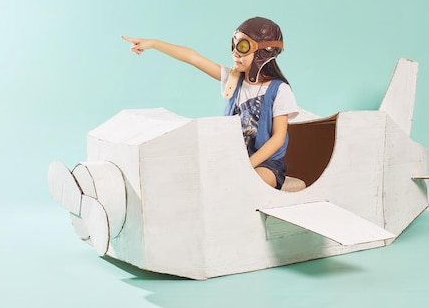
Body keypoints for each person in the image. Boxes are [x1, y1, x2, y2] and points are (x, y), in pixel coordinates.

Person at [121, 17, 299, 189]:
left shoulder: (279, 90)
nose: (235, 52)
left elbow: (278, 138)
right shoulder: (233, 79)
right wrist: (153, 43)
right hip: (231, 156)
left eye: (243, 46)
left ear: (263, 52)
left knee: (248, 183)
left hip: (266, 164)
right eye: (234, 44)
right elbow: (193, 57)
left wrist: (245, 165)